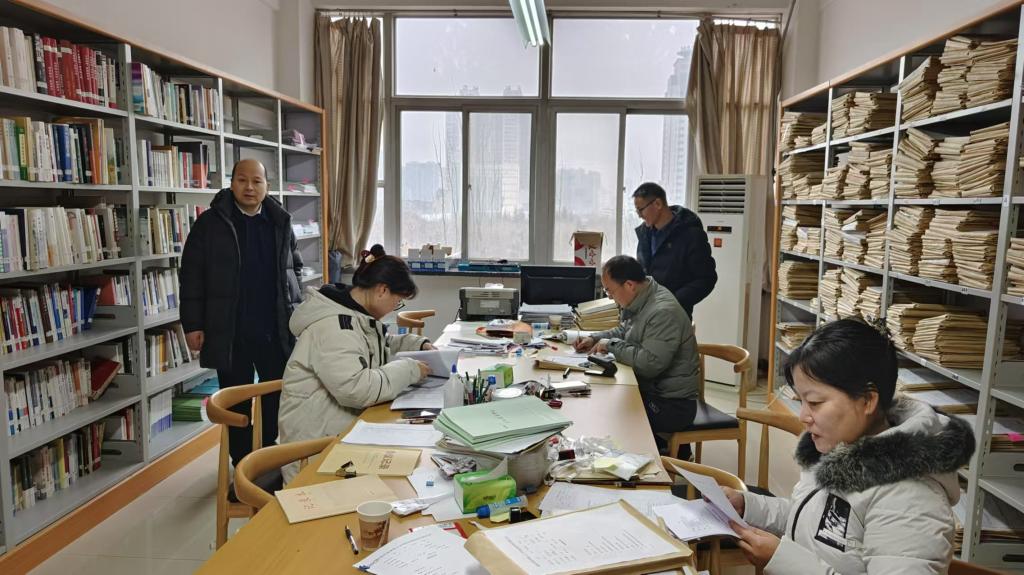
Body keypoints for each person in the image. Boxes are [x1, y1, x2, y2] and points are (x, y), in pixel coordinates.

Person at [722, 319, 974, 574]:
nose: (803, 416)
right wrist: (749, 506)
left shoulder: (909, 499)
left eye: (815, 402)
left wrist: (783, 560)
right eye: (802, 401)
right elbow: (813, 521)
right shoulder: (840, 449)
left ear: (867, 400)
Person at [180, 159, 303, 467]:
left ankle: (268, 460)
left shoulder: (280, 221)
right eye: (242, 180)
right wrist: (193, 324)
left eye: (257, 181)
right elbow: (191, 276)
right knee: (236, 402)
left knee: (278, 396)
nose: (249, 187)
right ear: (231, 183)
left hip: (274, 328)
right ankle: (243, 465)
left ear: (267, 186)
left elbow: (294, 269)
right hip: (228, 330)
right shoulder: (211, 223)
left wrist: (297, 312)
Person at [278, 245, 433, 483]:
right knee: (402, 479)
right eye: (397, 302)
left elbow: (376, 345)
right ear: (382, 290)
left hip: (341, 434)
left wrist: (417, 344)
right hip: (315, 453)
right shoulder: (333, 326)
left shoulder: (354, 314)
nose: (395, 308)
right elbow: (357, 389)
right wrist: (410, 369)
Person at [574, 255, 701, 459]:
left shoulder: (662, 311)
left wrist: (610, 345)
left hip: (672, 404)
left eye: (610, 291)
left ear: (629, 285)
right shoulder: (644, 297)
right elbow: (625, 330)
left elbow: (649, 364)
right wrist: (595, 338)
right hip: (653, 391)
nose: (610, 297)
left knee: (611, 414)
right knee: (605, 400)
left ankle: (663, 456)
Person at [632, 182, 717, 318]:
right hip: (646, 312)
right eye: (637, 211)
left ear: (658, 204)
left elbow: (706, 278)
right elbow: (644, 271)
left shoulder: (691, 235)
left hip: (675, 315)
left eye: (641, 210)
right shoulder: (645, 233)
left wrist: (673, 301)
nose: (639, 215)